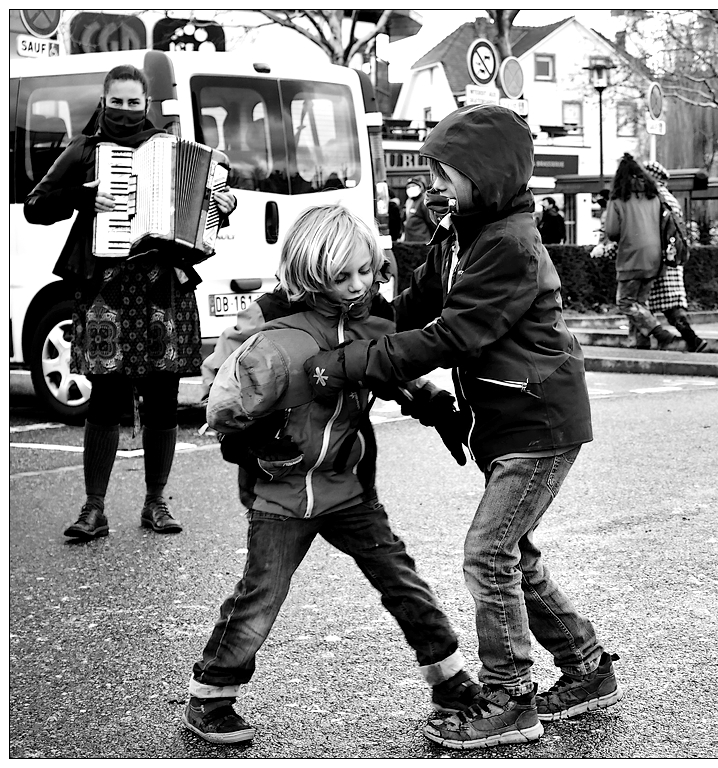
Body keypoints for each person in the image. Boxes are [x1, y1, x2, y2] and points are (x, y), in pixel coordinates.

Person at [302, 105, 622, 750]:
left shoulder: (510, 244)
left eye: (447, 175)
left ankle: (508, 696)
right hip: (505, 420)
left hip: (538, 422)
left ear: (490, 176)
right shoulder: (463, 230)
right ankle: (586, 667)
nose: (434, 187)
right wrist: (336, 310)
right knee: (515, 554)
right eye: (432, 174)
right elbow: (413, 308)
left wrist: (347, 364)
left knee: (488, 553)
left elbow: (452, 334)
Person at [185, 205, 480, 745]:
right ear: (309, 271)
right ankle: (211, 695)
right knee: (260, 595)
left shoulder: (371, 317)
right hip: (280, 491)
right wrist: (249, 443)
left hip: (348, 487)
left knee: (402, 580)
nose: (357, 285)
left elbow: (389, 369)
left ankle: (450, 681)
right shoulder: (268, 319)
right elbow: (218, 390)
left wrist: (435, 404)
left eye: (365, 271)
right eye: (341, 276)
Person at [23, 64, 238, 541]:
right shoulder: (83, 150)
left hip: (163, 283)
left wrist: (222, 207)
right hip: (106, 288)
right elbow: (36, 206)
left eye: (132, 102)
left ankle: (156, 503)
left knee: (162, 395)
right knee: (106, 395)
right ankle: (93, 509)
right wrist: (82, 198)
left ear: (145, 104)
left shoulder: (169, 148)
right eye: (116, 102)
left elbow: (213, 200)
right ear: (104, 100)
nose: (124, 110)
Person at [605, 153, 683, 350]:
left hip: (632, 256)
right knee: (639, 302)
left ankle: (659, 332)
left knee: (625, 303)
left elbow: (612, 232)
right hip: (655, 257)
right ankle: (639, 343)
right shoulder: (654, 197)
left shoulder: (617, 199)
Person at [641, 161, 708, 353]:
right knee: (672, 303)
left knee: (642, 300)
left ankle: (651, 340)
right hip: (673, 257)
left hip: (657, 257)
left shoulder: (653, 198)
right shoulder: (670, 199)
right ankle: (691, 338)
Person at [402, 175, 438, 243]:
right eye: (408, 187)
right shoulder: (409, 201)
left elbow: (431, 222)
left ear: (420, 187)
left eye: (413, 186)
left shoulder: (423, 201)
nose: (411, 188)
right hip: (410, 240)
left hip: (421, 241)